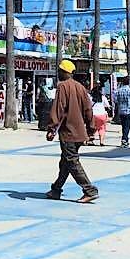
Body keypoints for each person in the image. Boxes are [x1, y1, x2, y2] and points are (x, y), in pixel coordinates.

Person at [44, 60, 98, 203]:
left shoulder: (62, 87)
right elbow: (88, 109)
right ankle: (56, 189)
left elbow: (58, 108)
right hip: (80, 132)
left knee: (72, 161)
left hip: (69, 132)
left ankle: (89, 190)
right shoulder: (81, 88)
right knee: (65, 163)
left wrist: (51, 128)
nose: (59, 73)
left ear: (64, 72)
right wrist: (91, 128)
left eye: (60, 70)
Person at [114, 75, 130, 148]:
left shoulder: (118, 91)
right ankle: (124, 139)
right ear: (128, 83)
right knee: (127, 127)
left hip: (121, 111)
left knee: (123, 126)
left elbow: (115, 100)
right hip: (129, 111)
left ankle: (125, 139)